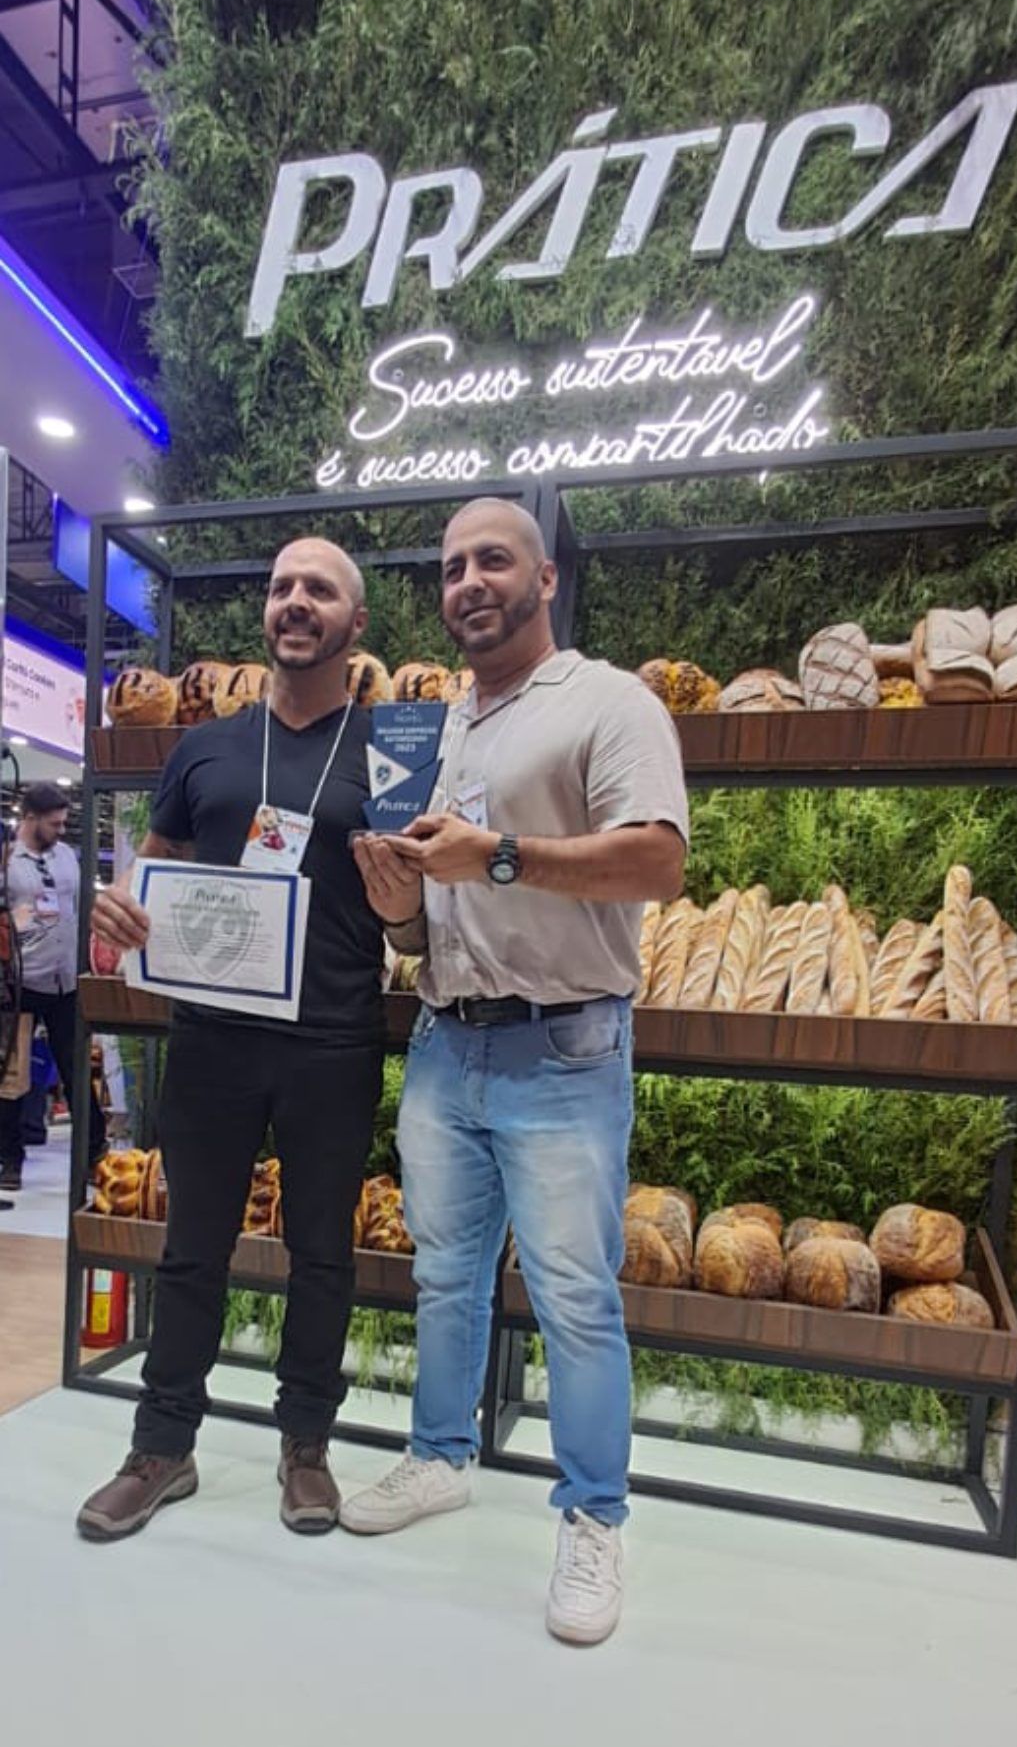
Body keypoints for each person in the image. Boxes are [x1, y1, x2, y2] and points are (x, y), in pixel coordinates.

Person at [346, 497, 689, 1646]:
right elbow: (432, 911)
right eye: (450, 567)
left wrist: (496, 855)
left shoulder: (609, 701)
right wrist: (401, 913)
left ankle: (595, 1519)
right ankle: (440, 1455)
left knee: (577, 1301)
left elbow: (658, 860)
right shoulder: (438, 726)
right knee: (447, 1274)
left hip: (564, 1044)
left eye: (493, 559)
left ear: (546, 576)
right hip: (447, 1039)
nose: (468, 581)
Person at [77, 538, 386, 1542]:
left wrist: (414, 906)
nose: (295, 602)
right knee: (191, 1248)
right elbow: (148, 875)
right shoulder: (204, 747)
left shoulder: (388, 755)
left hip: (333, 1039)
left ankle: (306, 1444)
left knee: (322, 1253)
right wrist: (119, 913)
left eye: (318, 590)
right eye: (282, 586)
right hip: (210, 1037)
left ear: (355, 623)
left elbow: (414, 914)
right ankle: (162, 1446)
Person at [1, 782, 100, 1191]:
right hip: (20, 983)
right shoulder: (7, 861)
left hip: (65, 981)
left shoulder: (68, 857)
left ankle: (95, 1153)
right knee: (13, 1075)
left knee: (77, 1070)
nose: (61, 829)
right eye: (54, 823)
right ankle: (9, 1160)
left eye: (64, 823)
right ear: (29, 819)